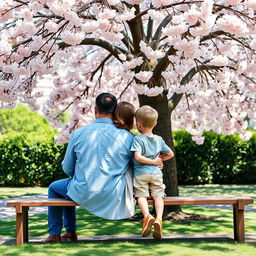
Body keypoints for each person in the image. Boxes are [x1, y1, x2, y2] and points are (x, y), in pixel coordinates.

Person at [44, 93, 135, 243]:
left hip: (83, 190)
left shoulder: (78, 133)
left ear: (95, 110)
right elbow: (135, 166)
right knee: (66, 188)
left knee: (56, 188)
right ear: (115, 111)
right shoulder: (127, 136)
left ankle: (58, 233)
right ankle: (69, 231)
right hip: (115, 192)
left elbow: (67, 168)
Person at [131, 105, 174, 240]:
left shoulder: (138, 139)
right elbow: (170, 154)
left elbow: (137, 157)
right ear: (155, 123)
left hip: (141, 174)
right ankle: (159, 219)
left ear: (138, 124)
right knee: (158, 196)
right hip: (156, 174)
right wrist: (158, 160)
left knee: (141, 196)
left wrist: (153, 161)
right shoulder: (159, 139)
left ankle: (147, 216)